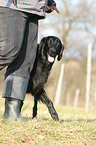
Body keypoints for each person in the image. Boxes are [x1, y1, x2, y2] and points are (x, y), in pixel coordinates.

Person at [0, 0, 59, 121]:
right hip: (12, 5)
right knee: (7, 51)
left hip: (34, 9)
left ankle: (12, 113)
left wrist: (48, 1)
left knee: (25, 60)